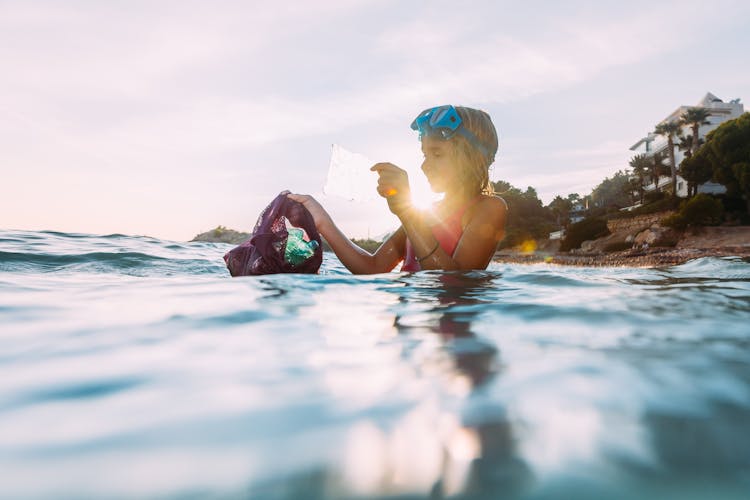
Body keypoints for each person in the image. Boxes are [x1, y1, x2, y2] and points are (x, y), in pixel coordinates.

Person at [288, 105, 507, 274]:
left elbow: (453, 281)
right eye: (424, 154)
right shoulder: (427, 215)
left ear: (472, 160)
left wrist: (408, 213)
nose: (424, 165)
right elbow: (372, 267)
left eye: (437, 154)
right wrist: (322, 222)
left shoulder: (489, 208)